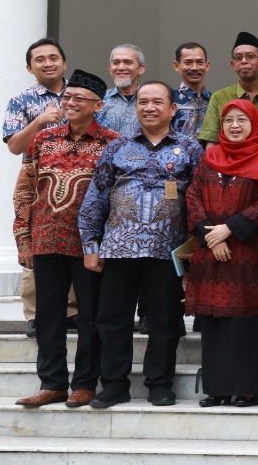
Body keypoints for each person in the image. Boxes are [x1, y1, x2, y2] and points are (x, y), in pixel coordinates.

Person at [78, 80, 203, 408]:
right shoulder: (117, 147)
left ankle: (160, 384)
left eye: (157, 101)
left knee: (165, 320)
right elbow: (97, 196)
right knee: (112, 319)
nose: (149, 107)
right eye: (143, 101)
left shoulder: (190, 148)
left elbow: (201, 200)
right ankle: (114, 384)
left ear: (172, 108)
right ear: (136, 107)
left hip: (168, 251)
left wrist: (194, 249)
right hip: (119, 248)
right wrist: (90, 245)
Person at [12, 69, 118, 408]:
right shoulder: (43, 139)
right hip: (45, 241)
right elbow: (25, 189)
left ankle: (85, 382)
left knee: (90, 316)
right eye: (67, 97)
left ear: (98, 105)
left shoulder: (112, 143)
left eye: (79, 99)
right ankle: (52, 382)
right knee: (48, 316)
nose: (70, 103)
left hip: (89, 246)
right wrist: (23, 238)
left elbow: (116, 198)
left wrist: (105, 245)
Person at [185, 99, 258, 407]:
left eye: (241, 120)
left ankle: (248, 387)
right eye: (228, 119)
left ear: (255, 123)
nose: (234, 125)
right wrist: (211, 236)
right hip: (213, 255)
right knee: (217, 324)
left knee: (249, 322)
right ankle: (217, 387)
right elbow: (192, 197)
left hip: (251, 255)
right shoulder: (209, 158)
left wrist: (230, 229)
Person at [4, 37, 70, 337]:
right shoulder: (21, 101)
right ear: (30, 68)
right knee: (35, 245)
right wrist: (39, 122)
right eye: (40, 59)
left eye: (53, 57)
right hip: (38, 181)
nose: (48, 63)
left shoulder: (81, 95)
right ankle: (34, 315)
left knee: (75, 243)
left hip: (78, 180)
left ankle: (72, 312)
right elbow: (14, 146)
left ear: (64, 62)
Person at [199, 32, 258, 144]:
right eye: (238, 58)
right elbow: (211, 142)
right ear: (233, 64)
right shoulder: (219, 97)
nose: (244, 61)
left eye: (250, 56)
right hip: (229, 161)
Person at [95, 44, 147, 138]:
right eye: (116, 63)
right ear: (110, 69)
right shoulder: (99, 100)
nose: (121, 67)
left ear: (141, 68)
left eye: (128, 62)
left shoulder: (152, 101)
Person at [171, 43, 214, 139]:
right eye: (188, 62)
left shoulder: (215, 100)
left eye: (199, 62)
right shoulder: (168, 99)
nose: (194, 67)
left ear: (207, 66)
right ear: (176, 65)